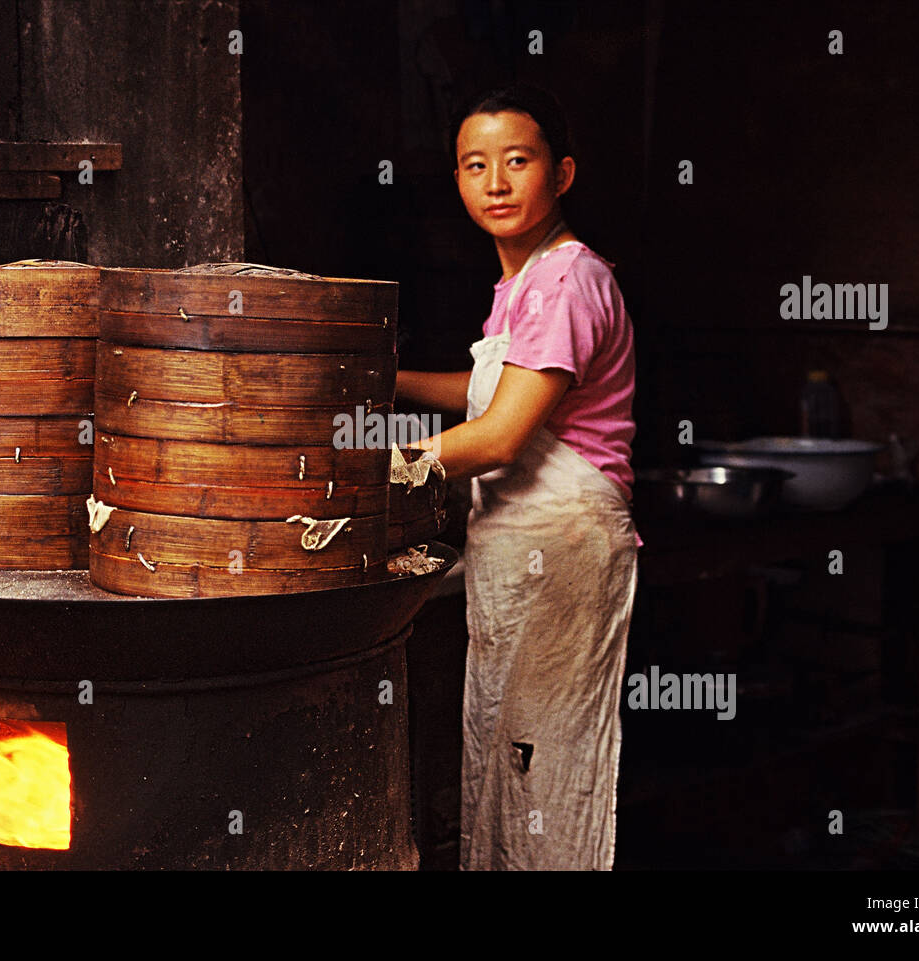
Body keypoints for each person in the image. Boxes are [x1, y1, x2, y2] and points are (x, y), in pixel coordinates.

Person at [397, 83, 641, 870]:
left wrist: (383, 465)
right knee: (508, 758)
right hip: (525, 549)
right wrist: (392, 380)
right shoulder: (522, 285)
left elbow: (500, 434)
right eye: (475, 165)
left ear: (561, 173)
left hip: (562, 546)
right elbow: (491, 389)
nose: (495, 183)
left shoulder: (568, 280)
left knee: (545, 764)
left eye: (517, 161)